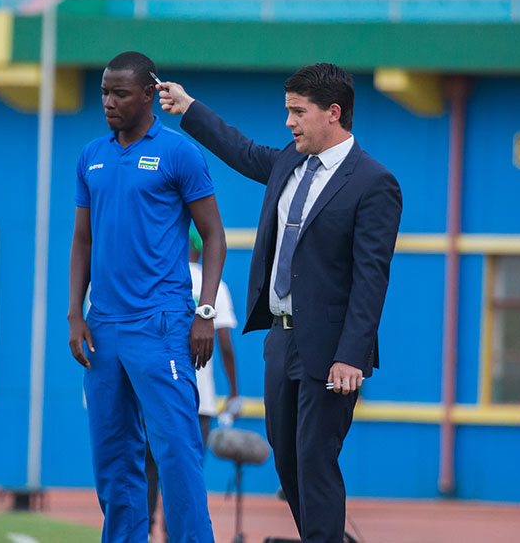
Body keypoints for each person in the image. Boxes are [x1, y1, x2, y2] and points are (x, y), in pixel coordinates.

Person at [158, 63, 402, 543]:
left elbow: (372, 279)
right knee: (288, 461)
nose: (288, 122)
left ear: (333, 113)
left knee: (315, 460)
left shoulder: (375, 183)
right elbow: (242, 150)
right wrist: (189, 108)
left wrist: (351, 354)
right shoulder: (289, 162)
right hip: (280, 342)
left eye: (297, 112)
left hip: (332, 350)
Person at [68, 51, 226, 543]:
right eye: (103, 92)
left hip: (161, 325)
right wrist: (76, 313)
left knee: (177, 452)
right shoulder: (91, 154)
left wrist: (204, 313)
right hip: (104, 327)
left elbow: (215, 236)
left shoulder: (179, 153)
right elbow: (83, 240)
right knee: (113, 460)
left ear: (148, 94)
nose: (109, 102)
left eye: (120, 93)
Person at [144, 227, 240, 543]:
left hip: (157, 391)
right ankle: (176, 535)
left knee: (150, 467)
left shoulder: (159, 276)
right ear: (201, 249)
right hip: (200, 398)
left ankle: (144, 530)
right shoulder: (216, 286)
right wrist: (234, 392)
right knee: (186, 472)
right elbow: (225, 344)